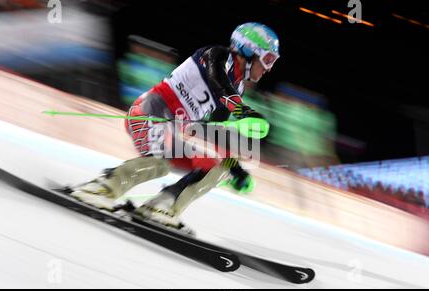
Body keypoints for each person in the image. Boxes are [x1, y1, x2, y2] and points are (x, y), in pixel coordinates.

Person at [69, 22, 280, 231]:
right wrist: (242, 111)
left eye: (273, 61)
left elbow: (216, 130)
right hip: (148, 114)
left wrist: (236, 169)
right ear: (247, 50)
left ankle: (162, 206)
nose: (268, 68)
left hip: (170, 133)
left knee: (217, 169)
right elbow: (219, 82)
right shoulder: (215, 54)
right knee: (160, 162)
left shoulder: (239, 87)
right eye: (268, 59)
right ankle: (102, 188)